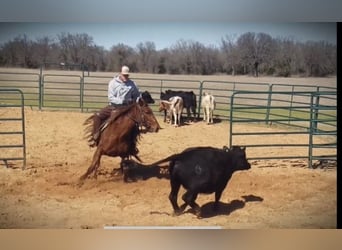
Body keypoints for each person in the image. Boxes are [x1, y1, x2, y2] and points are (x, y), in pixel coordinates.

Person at [89, 66, 141, 147]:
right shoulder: (113, 83)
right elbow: (111, 98)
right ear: (120, 74)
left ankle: (132, 145)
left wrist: (137, 100)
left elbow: (137, 96)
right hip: (113, 107)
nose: (126, 77)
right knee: (97, 116)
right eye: (124, 75)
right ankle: (96, 137)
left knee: (134, 123)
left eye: (127, 75)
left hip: (126, 109)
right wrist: (122, 101)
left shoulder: (132, 84)